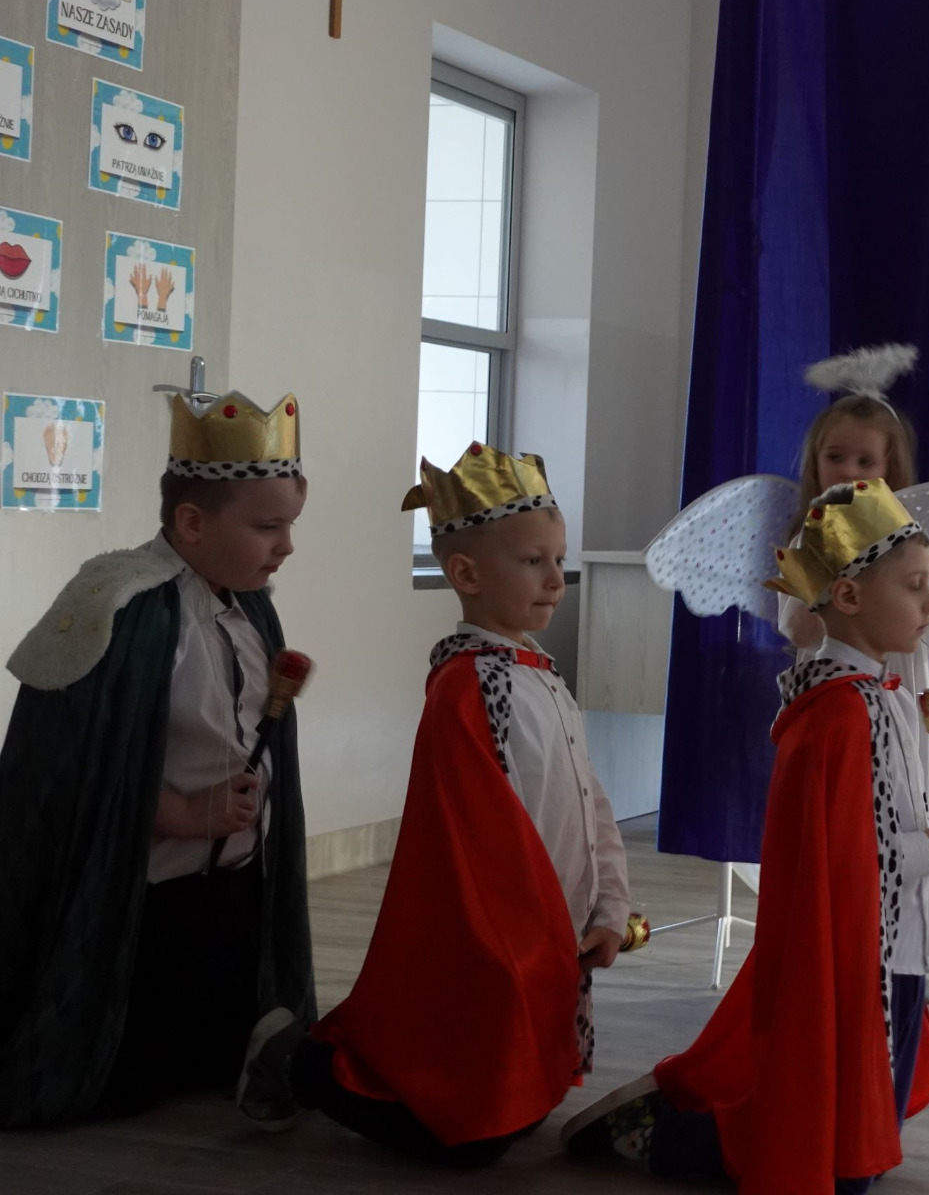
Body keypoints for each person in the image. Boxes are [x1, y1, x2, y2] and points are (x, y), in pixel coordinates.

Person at [563, 477, 929, 1194]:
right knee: (838, 1162)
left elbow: (875, 824)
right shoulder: (839, 714)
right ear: (849, 597)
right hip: (855, 961)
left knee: (866, 1142)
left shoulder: (881, 700)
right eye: (915, 586)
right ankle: (664, 1135)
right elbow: (850, 860)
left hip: (892, 951)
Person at [234, 443, 636, 1163]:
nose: (555, 579)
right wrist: (531, 933)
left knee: (517, 1110)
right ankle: (298, 1062)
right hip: (498, 941)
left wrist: (607, 905)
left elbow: (588, 801)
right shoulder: (472, 684)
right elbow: (480, 839)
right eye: (532, 561)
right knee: (464, 1140)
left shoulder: (540, 676)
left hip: (550, 935)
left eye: (557, 558)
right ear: (466, 574)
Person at [0, 390, 314, 1126]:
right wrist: (177, 811)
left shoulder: (250, 604)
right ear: (192, 522)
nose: (286, 546)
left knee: (216, 1048)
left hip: (232, 883)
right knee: (129, 1072)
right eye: (268, 527)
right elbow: (64, 770)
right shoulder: (121, 606)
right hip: (145, 894)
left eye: (290, 526)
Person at [780, 344, 929, 954]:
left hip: (896, 672)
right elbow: (798, 631)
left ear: (890, 468)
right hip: (840, 673)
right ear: (814, 461)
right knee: (852, 803)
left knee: (902, 786)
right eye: (835, 457)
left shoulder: (907, 537)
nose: (847, 470)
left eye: (865, 460)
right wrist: (820, 586)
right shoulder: (811, 538)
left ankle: (904, 945)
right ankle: (857, 938)